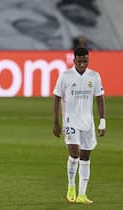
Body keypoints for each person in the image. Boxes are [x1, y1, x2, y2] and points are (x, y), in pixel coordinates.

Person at [53, 47, 106, 204]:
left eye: (85, 61)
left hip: (87, 121)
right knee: (74, 152)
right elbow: (56, 97)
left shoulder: (94, 76)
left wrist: (102, 121)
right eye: (79, 61)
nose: (82, 64)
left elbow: (99, 98)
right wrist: (56, 121)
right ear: (73, 60)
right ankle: (71, 185)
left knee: (85, 156)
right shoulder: (65, 76)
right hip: (70, 119)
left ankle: (82, 194)